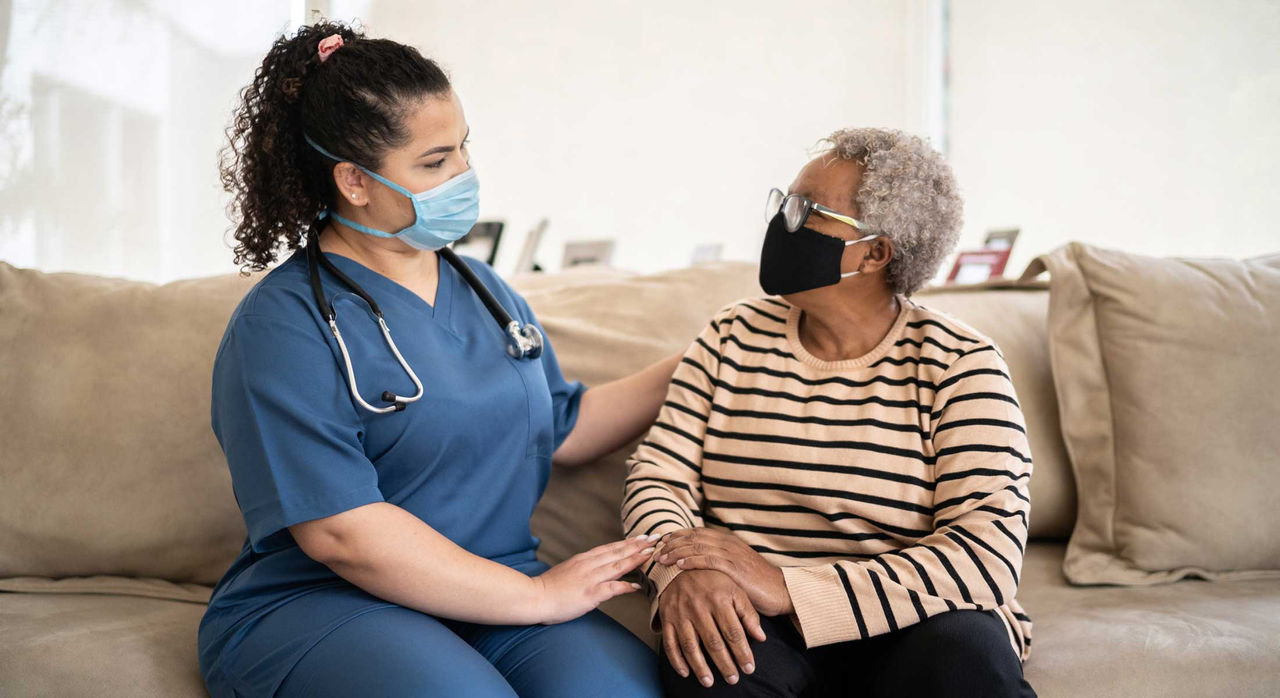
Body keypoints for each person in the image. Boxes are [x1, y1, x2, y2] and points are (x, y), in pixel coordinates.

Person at [198, 21, 671, 697]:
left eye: (463, 150)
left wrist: (700, 358)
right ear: (354, 182)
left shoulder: (486, 290)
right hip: (328, 603)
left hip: (497, 588)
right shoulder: (285, 324)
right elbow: (341, 535)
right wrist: (537, 598)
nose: (464, 176)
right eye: (434, 162)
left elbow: (563, 428)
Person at [623, 127, 1038, 697]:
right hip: (755, 622)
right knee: (707, 663)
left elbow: (983, 557)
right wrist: (681, 571)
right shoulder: (730, 335)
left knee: (967, 658)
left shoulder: (961, 365)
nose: (781, 224)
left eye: (805, 212)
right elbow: (657, 476)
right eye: (783, 203)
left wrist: (790, 588)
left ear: (874, 253)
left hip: (916, 622)